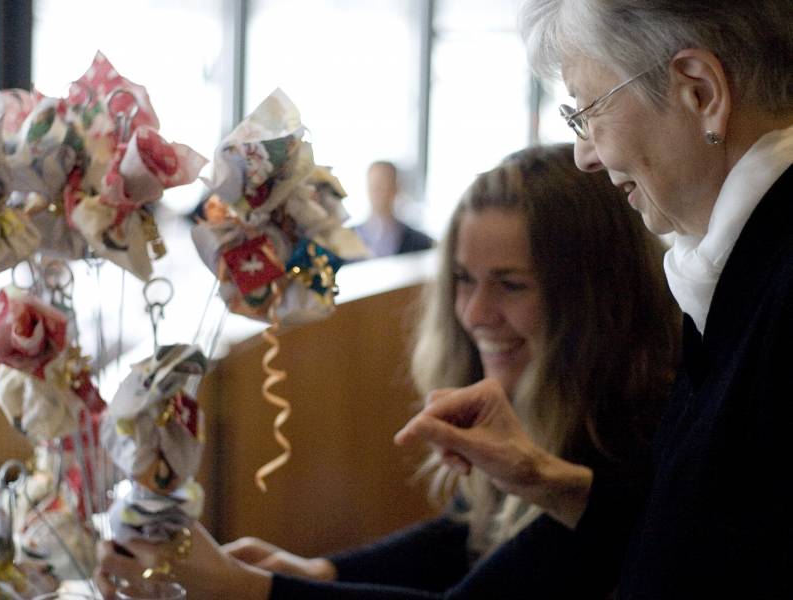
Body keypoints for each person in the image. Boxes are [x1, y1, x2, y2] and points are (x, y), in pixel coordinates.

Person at [95, 144, 681, 599]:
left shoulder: (629, 436)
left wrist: (249, 590)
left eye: (510, 284)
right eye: (462, 280)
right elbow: (465, 536)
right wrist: (320, 572)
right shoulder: (535, 403)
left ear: (596, 299)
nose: (475, 313)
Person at [397, 2, 793, 598]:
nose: (584, 155)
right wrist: (545, 479)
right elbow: (711, 534)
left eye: (587, 111)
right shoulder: (740, 264)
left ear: (700, 91)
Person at [353, 161, 434, 257]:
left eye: (385, 185)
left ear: (397, 188)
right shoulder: (343, 241)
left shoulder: (420, 242)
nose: (380, 193)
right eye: (375, 185)